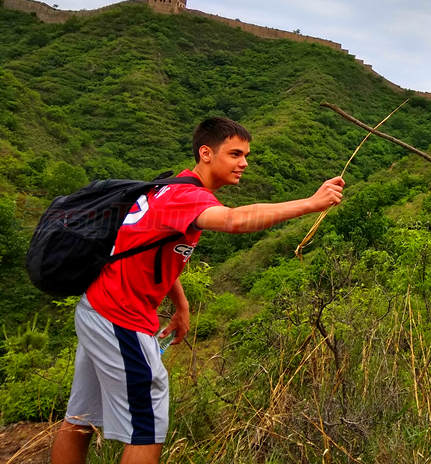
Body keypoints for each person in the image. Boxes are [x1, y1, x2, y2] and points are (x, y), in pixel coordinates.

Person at [51, 117, 345, 464]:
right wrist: (311, 203)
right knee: (147, 425)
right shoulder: (185, 196)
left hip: (97, 309)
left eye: (246, 154)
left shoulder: (168, 187)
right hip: (120, 318)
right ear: (206, 153)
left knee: (81, 417)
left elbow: (150, 249)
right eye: (235, 154)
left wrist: (181, 304)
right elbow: (236, 220)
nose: (244, 163)